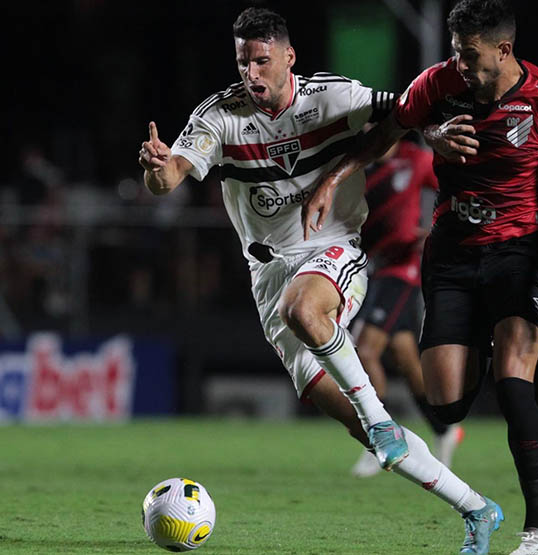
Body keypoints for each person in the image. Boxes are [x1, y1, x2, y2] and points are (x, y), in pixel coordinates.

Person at [137, 7, 503, 552]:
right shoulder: (220, 117)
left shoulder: (332, 98)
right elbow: (168, 181)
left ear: (289, 58)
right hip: (268, 276)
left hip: (334, 252)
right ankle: (477, 508)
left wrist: (434, 132)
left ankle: (378, 413)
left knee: (305, 311)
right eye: (243, 63)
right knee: (372, 438)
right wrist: (156, 166)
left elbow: (403, 112)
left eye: (262, 61)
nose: (251, 74)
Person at [304, 1, 538, 552]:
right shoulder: (437, 85)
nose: (458, 62)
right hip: (453, 255)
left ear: (503, 50)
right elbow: (388, 131)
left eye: (469, 53)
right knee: (445, 403)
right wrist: (341, 174)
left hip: (518, 253)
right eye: (455, 51)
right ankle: (482, 341)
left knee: (513, 384)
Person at [349, 136, 464, 478]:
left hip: (403, 269)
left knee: (364, 349)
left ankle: (379, 438)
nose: (372, 131)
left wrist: (438, 231)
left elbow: (457, 186)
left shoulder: (416, 158)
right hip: (373, 267)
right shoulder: (361, 166)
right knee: (404, 357)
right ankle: (445, 429)